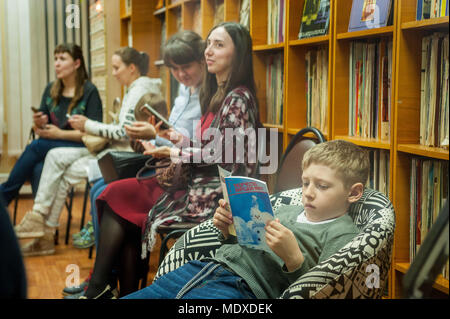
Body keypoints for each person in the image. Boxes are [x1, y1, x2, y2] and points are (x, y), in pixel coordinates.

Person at [82, 22, 261, 299]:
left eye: (219, 45)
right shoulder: (219, 94)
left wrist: (173, 151)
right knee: (120, 206)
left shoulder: (236, 97)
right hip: (198, 184)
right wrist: (176, 143)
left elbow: (225, 155)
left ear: (238, 54)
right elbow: (213, 149)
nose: (209, 52)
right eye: (208, 45)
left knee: (116, 198)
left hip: (211, 196)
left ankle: (102, 288)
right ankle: (114, 290)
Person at [123, 139, 367, 299]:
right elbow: (245, 248)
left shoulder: (343, 235)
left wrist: (294, 260)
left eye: (322, 186)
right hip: (202, 268)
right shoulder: (287, 210)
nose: (309, 192)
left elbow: (323, 293)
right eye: (305, 183)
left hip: (242, 290)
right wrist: (226, 229)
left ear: (353, 192)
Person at [14, 47, 162, 256]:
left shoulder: (139, 91)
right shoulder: (134, 88)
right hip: (112, 152)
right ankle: (43, 231)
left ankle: (42, 226)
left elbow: (122, 132)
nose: (113, 73)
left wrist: (88, 125)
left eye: (116, 67)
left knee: (55, 160)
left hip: (122, 157)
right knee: (56, 161)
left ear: (131, 68)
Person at [73, 30, 205, 252]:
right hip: (167, 164)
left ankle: (105, 276)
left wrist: (155, 136)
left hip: (182, 175)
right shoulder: (184, 90)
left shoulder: (206, 95)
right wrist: (155, 139)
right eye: (174, 69)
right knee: (100, 188)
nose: (180, 74)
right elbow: (176, 137)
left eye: (186, 67)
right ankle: (105, 275)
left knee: (106, 192)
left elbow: (194, 147)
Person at [0, 43, 103, 205]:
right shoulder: (51, 89)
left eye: (62, 58)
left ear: (77, 63)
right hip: (52, 147)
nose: (57, 63)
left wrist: (59, 134)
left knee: (36, 146)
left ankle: (4, 196)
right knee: (37, 168)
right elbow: (41, 128)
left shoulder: (90, 91)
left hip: (81, 147)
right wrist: (39, 123)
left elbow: (94, 134)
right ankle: (40, 218)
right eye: (55, 58)